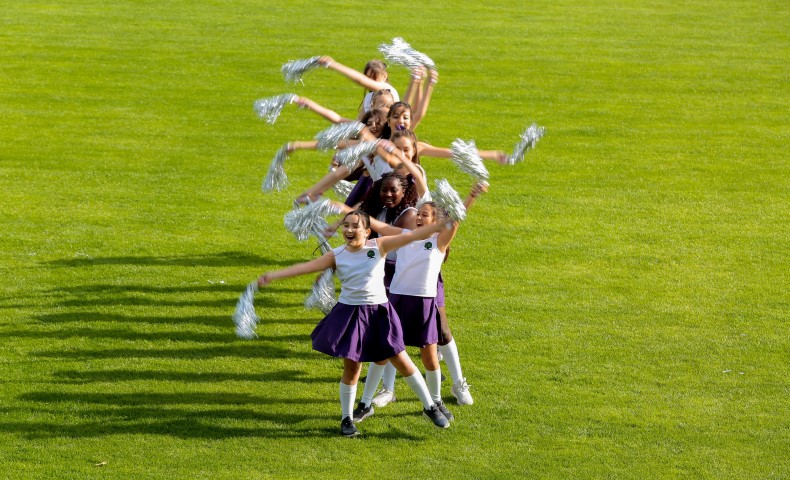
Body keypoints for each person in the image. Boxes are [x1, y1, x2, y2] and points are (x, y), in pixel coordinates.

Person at [256, 210, 452, 436]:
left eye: (355, 226)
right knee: (352, 368)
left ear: (367, 232)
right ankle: (346, 419)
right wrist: (273, 276)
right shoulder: (336, 255)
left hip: (379, 313)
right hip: (350, 315)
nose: (349, 230)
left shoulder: (378, 246)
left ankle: (429, 407)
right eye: (345, 225)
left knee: (402, 360)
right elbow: (305, 267)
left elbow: (411, 237)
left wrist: (443, 224)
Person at [352, 182, 487, 421]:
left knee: (430, 356)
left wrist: (471, 196)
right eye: (418, 214)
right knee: (383, 353)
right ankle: (365, 403)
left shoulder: (439, 242)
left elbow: (456, 219)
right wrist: (345, 212)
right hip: (396, 301)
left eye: (424, 215)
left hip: (424, 304)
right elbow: (379, 226)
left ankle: (435, 402)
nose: (418, 217)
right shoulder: (405, 235)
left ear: (436, 220)